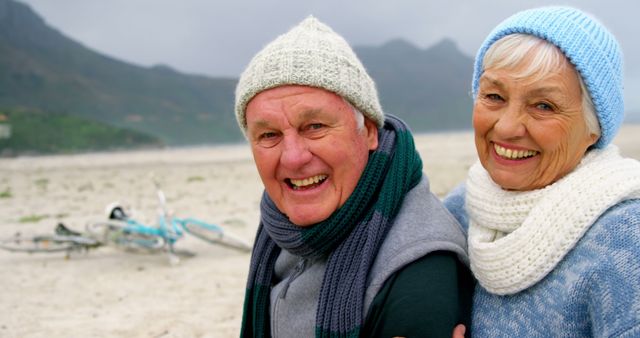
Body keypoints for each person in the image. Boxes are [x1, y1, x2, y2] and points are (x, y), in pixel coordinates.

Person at [234, 16, 473, 337]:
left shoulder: (415, 269)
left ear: (369, 131)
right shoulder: (282, 225)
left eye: (315, 127)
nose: (292, 157)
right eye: (268, 135)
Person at [444, 6, 640, 337]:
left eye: (544, 106)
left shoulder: (625, 239)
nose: (506, 127)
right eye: (494, 96)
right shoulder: (458, 211)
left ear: (594, 129)